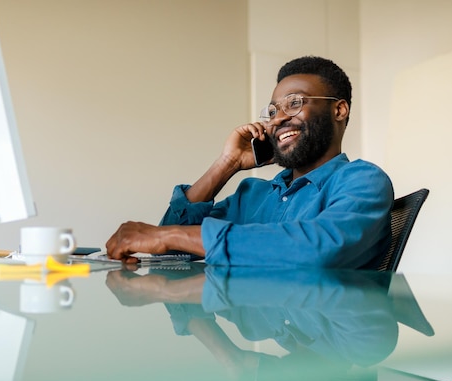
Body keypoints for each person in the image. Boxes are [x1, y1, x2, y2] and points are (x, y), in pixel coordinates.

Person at [105, 56, 393, 268]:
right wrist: (227, 164)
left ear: (339, 109)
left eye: (294, 103)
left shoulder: (362, 180)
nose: (278, 119)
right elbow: (167, 250)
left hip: (340, 346)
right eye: (272, 110)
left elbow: (318, 249)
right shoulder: (253, 195)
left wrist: (171, 236)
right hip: (278, 341)